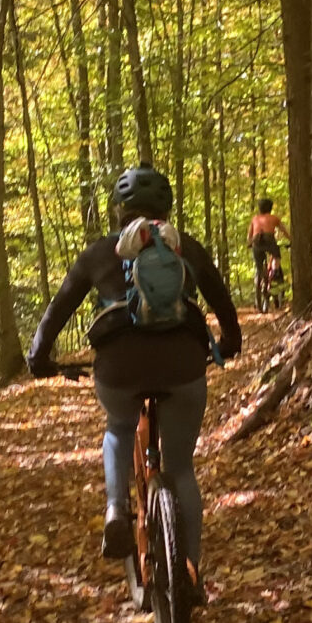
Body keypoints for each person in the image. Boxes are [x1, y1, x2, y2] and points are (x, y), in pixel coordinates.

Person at [27, 165, 241, 592]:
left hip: (119, 369)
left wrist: (40, 358)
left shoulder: (98, 253)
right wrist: (229, 342)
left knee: (119, 426)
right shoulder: (186, 248)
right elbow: (222, 302)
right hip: (183, 365)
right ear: (167, 207)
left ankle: (114, 511)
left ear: (119, 208)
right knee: (181, 469)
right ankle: (190, 573)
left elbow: (56, 311)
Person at [247, 196, 286, 307]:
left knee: (259, 267)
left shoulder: (255, 219)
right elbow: (284, 231)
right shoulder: (274, 218)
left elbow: (249, 236)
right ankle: (274, 271)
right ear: (270, 208)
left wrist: (249, 243)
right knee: (276, 255)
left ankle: (261, 276)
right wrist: (292, 240)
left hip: (256, 243)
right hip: (270, 242)